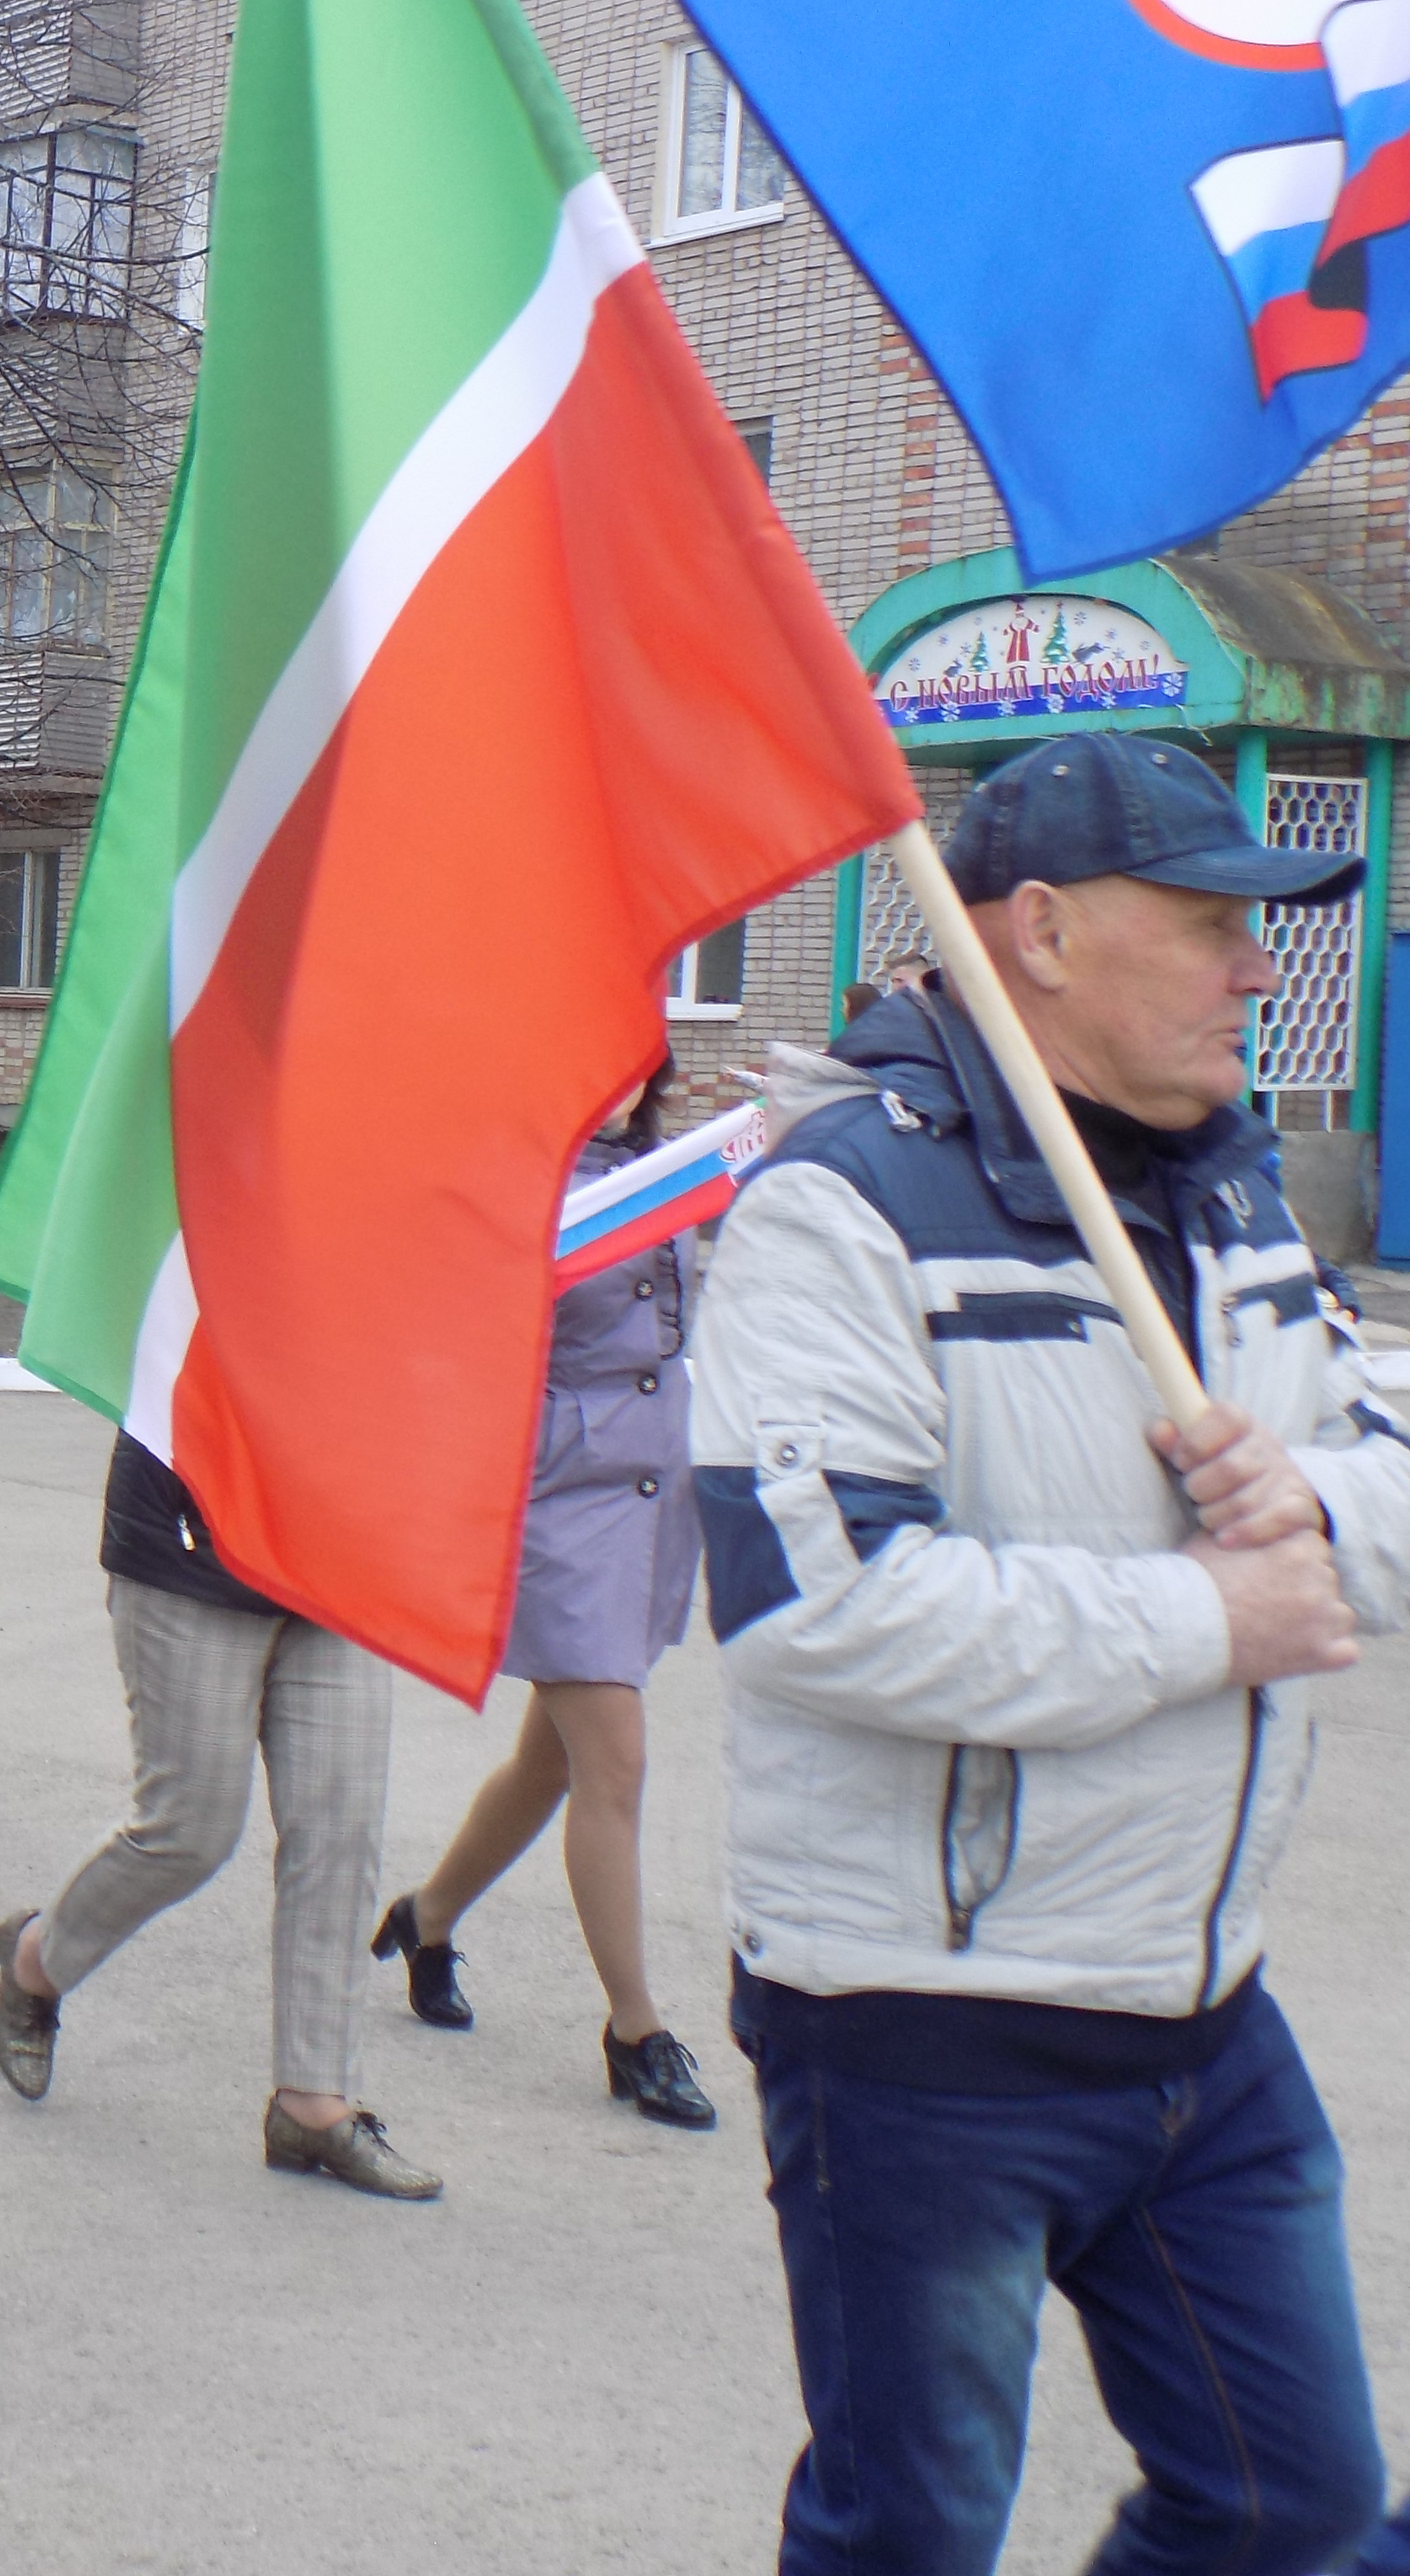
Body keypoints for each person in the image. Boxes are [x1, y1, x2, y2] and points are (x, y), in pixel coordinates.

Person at [694, 736, 1410, 2573]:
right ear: (1043, 934)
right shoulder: (837, 1204)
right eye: (1213, 923)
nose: (1263, 966)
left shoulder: (1236, 1191)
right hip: (926, 2035)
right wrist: (1212, 1616)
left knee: (1297, 2506)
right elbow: (820, 1606)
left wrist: (1312, 1513)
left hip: (1200, 2002)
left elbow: (1381, 1469)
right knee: (910, 2537)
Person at [373, 1061, 717, 2131]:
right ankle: (635, 2030)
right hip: (561, 1496)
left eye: (635, 1063)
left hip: (657, 1491)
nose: (617, 1084)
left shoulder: (668, 1168)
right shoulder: (511, 1178)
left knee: (548, 1763)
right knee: (614, 1759)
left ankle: (427, 1919)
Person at [0, 1433, 438, 2197]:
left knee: (340, 1826)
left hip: (338, 1538)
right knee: (190, 1828)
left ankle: (312, 2101)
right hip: (192, 1533)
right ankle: (36, 1960)